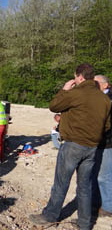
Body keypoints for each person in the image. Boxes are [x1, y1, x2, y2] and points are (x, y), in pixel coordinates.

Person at [29, 64, 111, 230]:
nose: (74, 80)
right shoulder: (104, 99)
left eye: (75, 77)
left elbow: (54, 106)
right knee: (85, 187)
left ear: (80, 77)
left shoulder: (76, 93)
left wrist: (65, 89)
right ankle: (85, 223)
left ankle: (50, 216)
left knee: (61, 183)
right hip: (92, 147)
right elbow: (107, 125)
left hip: (73, 145)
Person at [94, 74, 112, 217]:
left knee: (104, 176)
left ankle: (107, 207)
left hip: (107, 143)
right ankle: (99, 202)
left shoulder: (109, 100)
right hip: (98, 142)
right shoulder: (98, 98)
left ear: (105, 85)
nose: (93, 85)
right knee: (96, 174)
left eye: (97, 83)